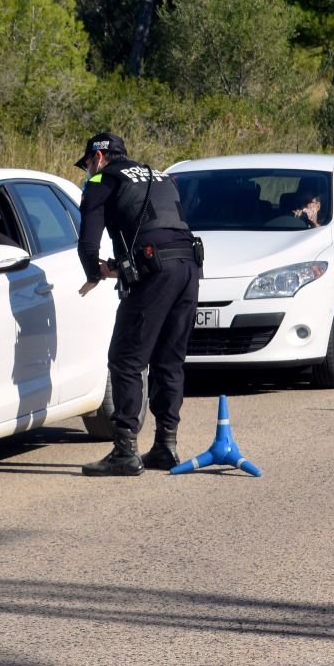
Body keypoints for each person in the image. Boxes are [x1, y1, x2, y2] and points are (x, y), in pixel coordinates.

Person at [74, 132, 202, 476]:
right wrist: (124, 266)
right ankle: (165, 446)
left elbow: (87, 241)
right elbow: (156, 228)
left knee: (126, 359)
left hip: (156, 271)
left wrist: (95, 271)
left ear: (98, 158)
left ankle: (125, 450)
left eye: (86, 164)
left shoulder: (102, 179)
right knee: (169, 359)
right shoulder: (158, 174)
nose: (86, 171)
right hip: (188, 266)